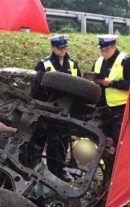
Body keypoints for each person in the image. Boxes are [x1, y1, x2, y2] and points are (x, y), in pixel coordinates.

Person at [34, 35, 81, 180]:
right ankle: (39, 170)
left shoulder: (72, 64)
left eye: (65, 47)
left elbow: (80, 85)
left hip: (67, 109)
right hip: (48, 107)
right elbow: (36, 86)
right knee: (42, 139)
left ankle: (59, 171)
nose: (63, 50)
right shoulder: (44, 64)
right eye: (60, 48)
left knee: (62, 141)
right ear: (53, 48)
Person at [92, 35, 130, 146]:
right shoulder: (98, 61)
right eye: (101, 50)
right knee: (101, 142)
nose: (103, 53)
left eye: (106, 50)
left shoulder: (126, 61)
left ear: (114, 46)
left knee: (118, 141)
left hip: (119, 110)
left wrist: (112, 83)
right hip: (100, 108)